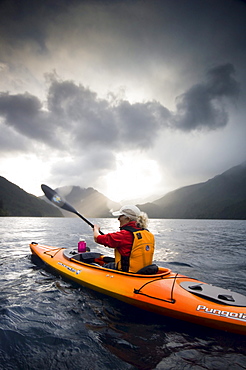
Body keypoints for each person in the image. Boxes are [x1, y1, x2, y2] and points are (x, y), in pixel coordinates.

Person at [93, 205, 155, 273]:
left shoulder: (124, 235)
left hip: (127, 273)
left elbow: (97, 238)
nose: (118, 218)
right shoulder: (148, 234)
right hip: (143, 272)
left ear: (127, 219)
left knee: (93, 265)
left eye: (120, 216)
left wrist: (96, 229)